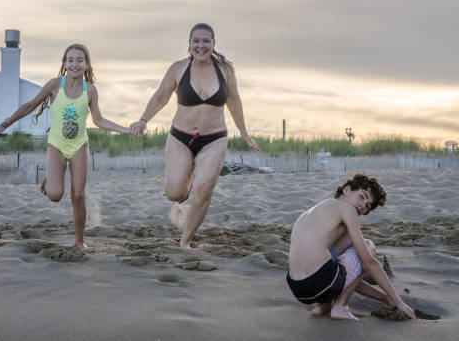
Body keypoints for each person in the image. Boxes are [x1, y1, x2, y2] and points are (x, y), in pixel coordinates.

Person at [130, 23, 259, 249]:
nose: (201, 45)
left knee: (204, 190)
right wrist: (143, 120)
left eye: (206, 41)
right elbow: (161, 96)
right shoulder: (178, 68)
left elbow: (234, 101)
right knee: (175, 193)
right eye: (196, 41)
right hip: (181, 138)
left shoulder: (225, 70)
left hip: (214, 138)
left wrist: (244, 133)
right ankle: (187, 183)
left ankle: (185, 240)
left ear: (213, 44)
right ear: (189, 45)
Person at [0, 44, 130, 249]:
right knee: (55, 195)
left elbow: (99, 120)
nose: (75, 64)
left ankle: (79, 242)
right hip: (56, 145)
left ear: (87, 64)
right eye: (71, 60)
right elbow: (29, 106)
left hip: (79, 146)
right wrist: (5, 124)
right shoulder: (55, 85)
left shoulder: (90, 90)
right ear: (64, 64)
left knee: (79, 195)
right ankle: (51, 179)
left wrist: (125, 130)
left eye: (79, 60)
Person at [286, 173, 416, 320]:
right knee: (367, 246)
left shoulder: (317, 211)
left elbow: (346, 278)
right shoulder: (346, 209)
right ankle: (340, 306)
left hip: (297, 288)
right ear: (347, 189)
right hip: (321, 282)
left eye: (367, 206)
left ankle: (323, 306)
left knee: (342, 250)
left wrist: (386, 298)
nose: (362, 205)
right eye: (362, 196)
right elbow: (369, 263)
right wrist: (399, 302)